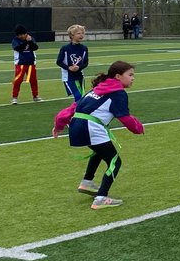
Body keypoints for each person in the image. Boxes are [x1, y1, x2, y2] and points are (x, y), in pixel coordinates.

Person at [52, 60, 144, 210]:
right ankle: (101, 197)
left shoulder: (95, 90)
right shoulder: (118, 93)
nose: (133, 78)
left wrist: (59, 124)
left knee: (100, 152)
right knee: (115, 161)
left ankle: (87, 182)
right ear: (118, 76)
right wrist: (138, 128)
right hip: (91, 126)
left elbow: (73, 107)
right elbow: (124, 117)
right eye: (130, 75)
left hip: (76, 125)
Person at [56, 25, 90, 101]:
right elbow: (59, 62)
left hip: (80, 75)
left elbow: (86, 62)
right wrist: (69, 68)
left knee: (82, 97)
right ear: (72, 35)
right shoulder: (65, 48)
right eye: (78, 33)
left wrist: (79, 67)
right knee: (77, 96)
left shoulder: (84, 48)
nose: (81, 35)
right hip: (69, 77)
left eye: (82, 33)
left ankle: (78, 111)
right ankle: (75, 111)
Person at [10, 25, 41, 104]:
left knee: (33, 80)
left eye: (22, 34)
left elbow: (35, 47)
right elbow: (18, 48)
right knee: (18, 80)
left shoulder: (31, 38)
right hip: (20, 63)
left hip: (31, 63)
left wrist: (30, 41)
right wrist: (26, 42)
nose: (21, 36)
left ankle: (35, 96)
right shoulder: (15, 40)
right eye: (19, 35)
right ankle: (14, 97)